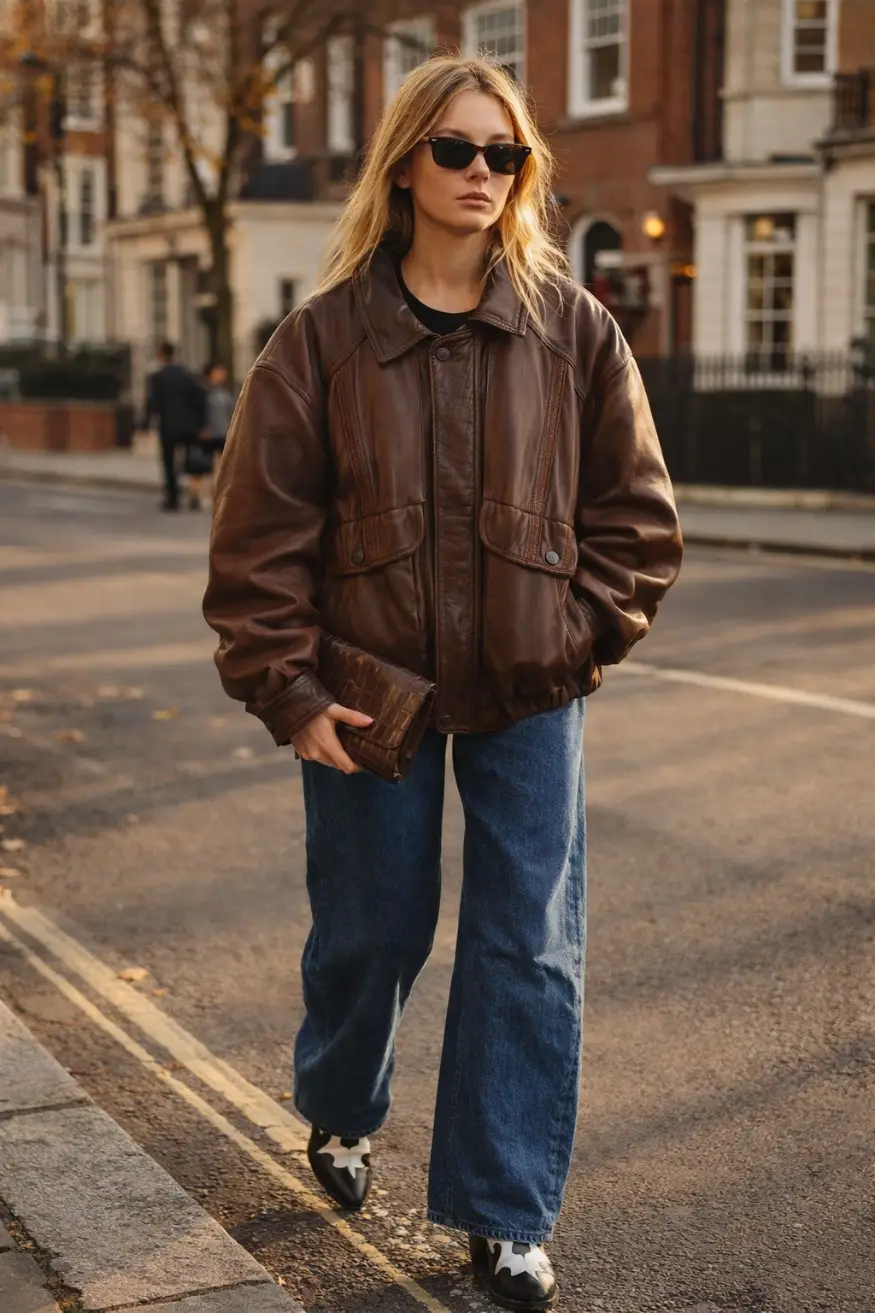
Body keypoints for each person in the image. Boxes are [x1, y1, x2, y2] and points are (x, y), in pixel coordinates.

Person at [204, 55, 682, 1311]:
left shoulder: (573, 329)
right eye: (458, 151)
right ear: (405, 163)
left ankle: (504, 1209)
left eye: (504, 155)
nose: (483, 175)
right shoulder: (318, 344)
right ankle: (342, 1105)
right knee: (375, 925)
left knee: (527, 940)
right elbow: (256, 546)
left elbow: (637, 526)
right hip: (370, 689)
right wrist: (291, 692)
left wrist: (569, 643)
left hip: (530, 691)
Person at [143, 341, 207, 511]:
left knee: (169, 463)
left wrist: (145, 424)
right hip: (189, 426)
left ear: (161, 355)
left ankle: (173, 498)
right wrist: (201, 423)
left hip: (168, 426)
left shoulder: (157, 377)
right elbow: (200, 398)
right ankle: (194, 494)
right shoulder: (188, 375)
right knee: (192, 459)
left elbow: (152, 403)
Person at [187, 362, 236, 509]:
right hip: (207, 433)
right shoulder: (202, 390)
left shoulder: (225, 392)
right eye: (218, 372)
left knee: (222, 467)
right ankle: (195, 496)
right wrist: (200, 428)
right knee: (201, 466)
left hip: (222, 433)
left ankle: (219, 496)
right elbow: (195, 411)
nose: (221, 375)